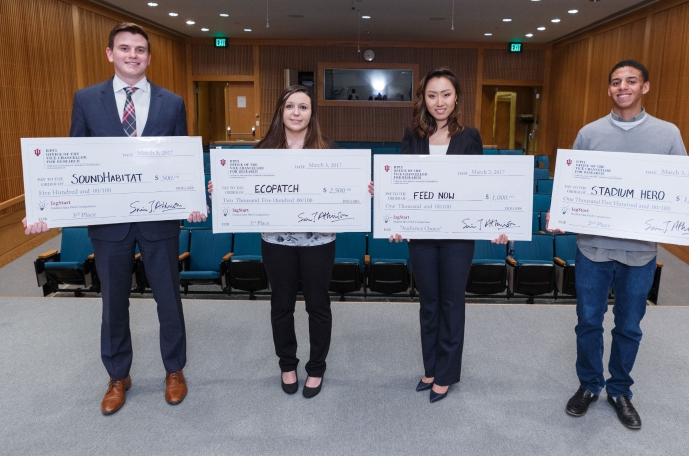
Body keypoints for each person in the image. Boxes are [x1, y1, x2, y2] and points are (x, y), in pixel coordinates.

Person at [24, 22, 206, 415]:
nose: (132, 55)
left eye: (140, 49)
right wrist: (45, 209)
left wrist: (191, 199)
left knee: (168, 299)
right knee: (113, 302)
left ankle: (174, 369)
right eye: (124, 48)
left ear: (148, 57)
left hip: (158, 222)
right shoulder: (87, 100)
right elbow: (74, 162)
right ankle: (118, 375)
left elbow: (182, 162)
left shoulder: (171, 102)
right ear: (110, 54)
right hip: (109, 224)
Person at [548, 59, 689, 429]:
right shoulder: (589, 133)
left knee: (629, 326)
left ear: (645, 87)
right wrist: (560, 216)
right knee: (587, 322)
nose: (623, 87)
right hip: (593, 249)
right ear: (609, 89)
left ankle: (619, 390)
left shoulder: (667, 135)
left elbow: (685, 192)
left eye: (631, 81)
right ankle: (589, 385)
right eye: (616, 82)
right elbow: (573, 189)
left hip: (640, 253)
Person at [210, 85, 359, 398]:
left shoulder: (328, 151)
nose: (296, 112)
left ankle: (316, 367)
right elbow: (244, 191)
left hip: (319, 241)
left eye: (303, 107)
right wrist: (222, 188)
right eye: (290, 106)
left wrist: (362, 190)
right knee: (281, 305)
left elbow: (346, 193)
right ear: (280, 110)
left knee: (319, 305)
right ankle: (287, 363)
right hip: (276, 241)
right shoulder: (263, 151)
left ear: (311, 114)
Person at [382, 67, 508, 403]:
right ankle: (431, 366)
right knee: (428, 302)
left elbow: (481, 187)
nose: (440, 102)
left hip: (457, 236)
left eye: (446, 94)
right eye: (432, 95)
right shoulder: (413, 135)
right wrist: (393, 216)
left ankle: (447, 372)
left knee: (452, 302)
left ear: (456, 98)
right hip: (421, 235)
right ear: (423, 98)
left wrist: (496, 223)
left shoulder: (470, 137)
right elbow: (401, 184)